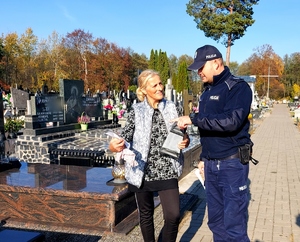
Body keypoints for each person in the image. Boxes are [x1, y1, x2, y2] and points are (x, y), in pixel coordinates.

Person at [174, 45, 253, 242]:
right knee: (216, 223)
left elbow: (231, 121)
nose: (198, 72)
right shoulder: (207, 91)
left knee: (234, 227)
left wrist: (194, 118)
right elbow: (208, 131)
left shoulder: (237, 88)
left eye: (201, 67)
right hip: (210, 165)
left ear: (216, 63)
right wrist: (203, 158)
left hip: (231, 165)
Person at [109, 69, 190, 242]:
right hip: (142, 171)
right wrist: (114, 145)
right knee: (146, 215)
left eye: (161, 83)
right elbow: (125, 136)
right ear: (144, 90)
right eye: (155, 85)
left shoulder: (171, 107)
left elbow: (182, 133)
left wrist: (186, 141)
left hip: (168, 167)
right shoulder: (136, 110)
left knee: (173, 215)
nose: (160, 87)